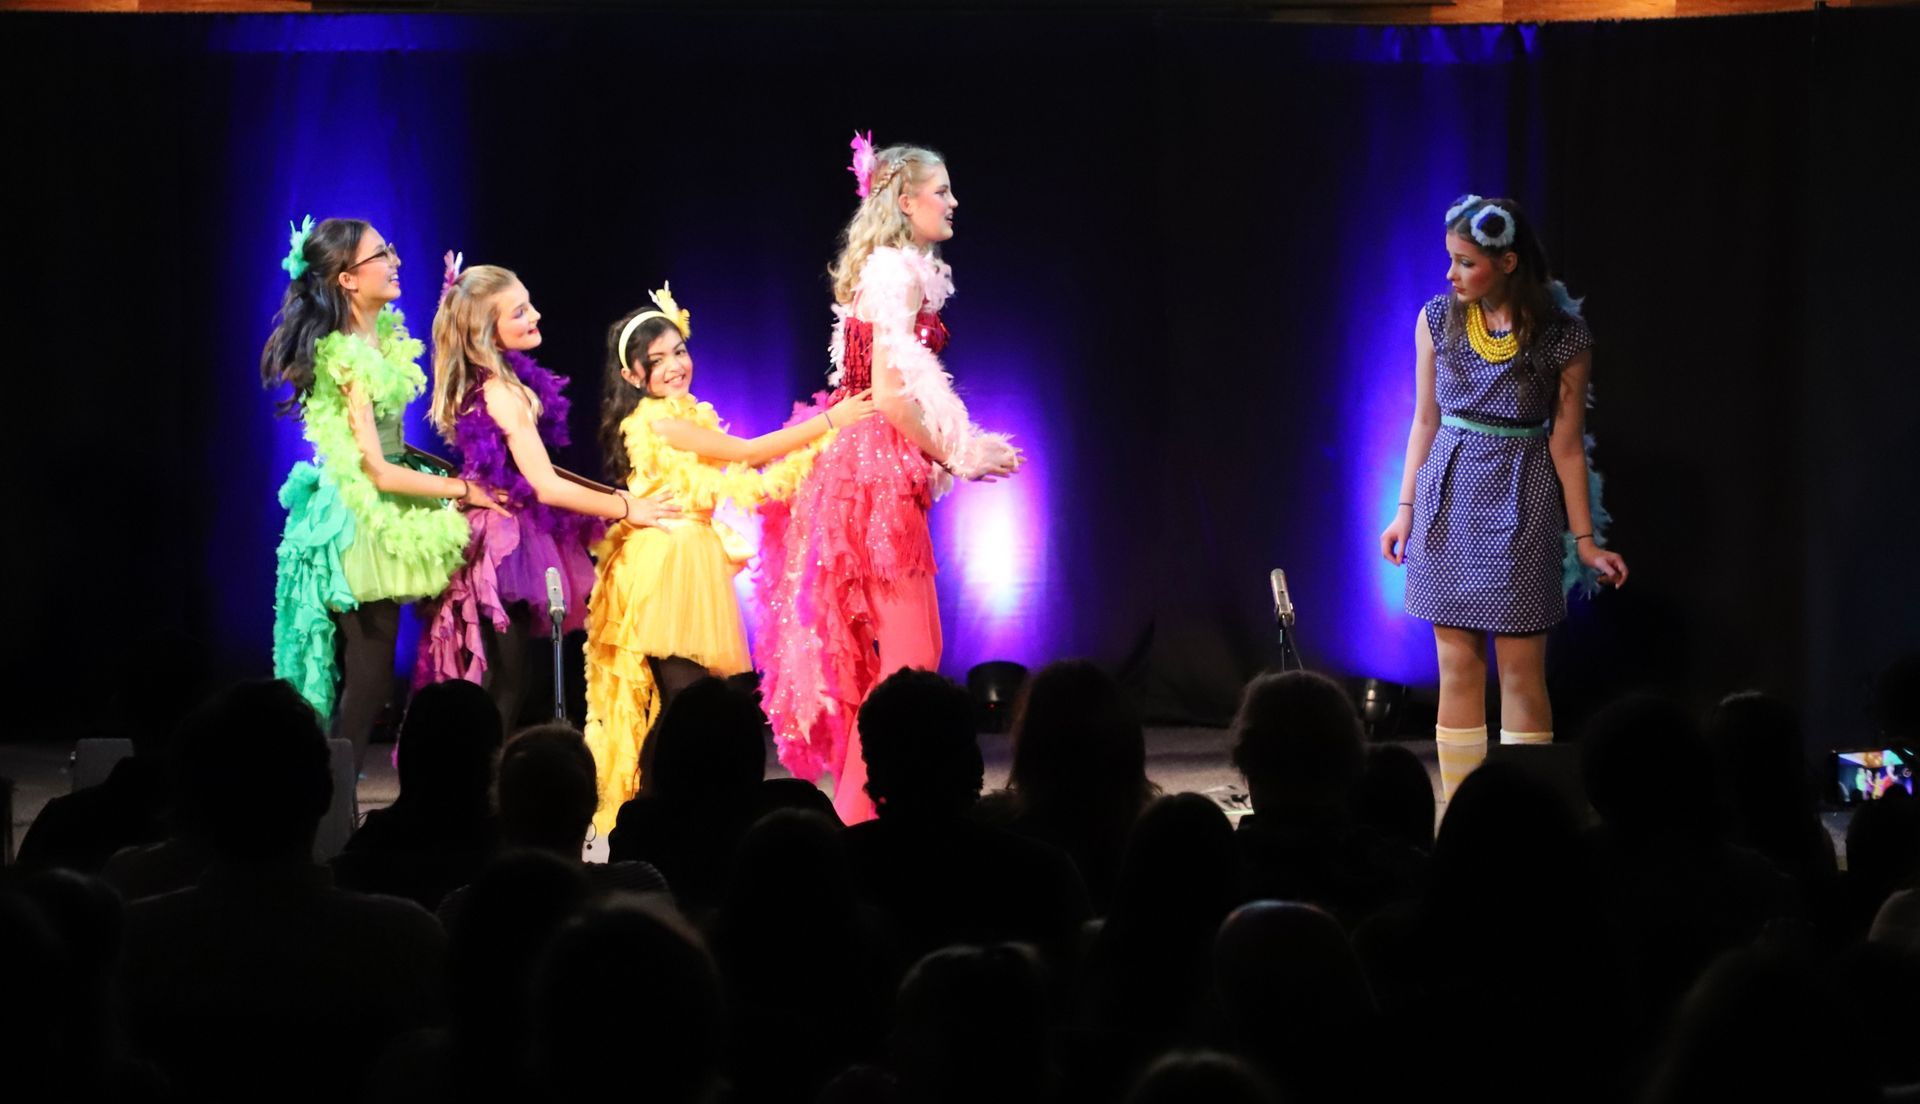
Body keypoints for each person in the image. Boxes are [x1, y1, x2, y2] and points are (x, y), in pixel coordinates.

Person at [758, 135, 1023, 822]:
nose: (954, 201)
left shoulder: (897, 269)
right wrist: (959, 452)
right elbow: (892, 393)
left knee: (899, 658)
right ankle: (867, 820)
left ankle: (864, 815)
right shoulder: (895, 272)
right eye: (942, 191)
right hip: (872, 475)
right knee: (908, 660)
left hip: (876, 467)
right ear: (907, 202)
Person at [584, 283, 871, 832]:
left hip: (687, 554)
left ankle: (668, 811)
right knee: (680, 701)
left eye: (679, 351)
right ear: (633, 375)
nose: (675, 365)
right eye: (658, 359)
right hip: (666, 563)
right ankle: (660, 814)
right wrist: (831, 421)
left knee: (680, 704)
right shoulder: (659, 422)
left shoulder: (681, 416)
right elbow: (747, 454)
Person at [1378, 194, 1628, 799]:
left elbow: (1568, 445)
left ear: (1509, 261)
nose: (1451, 274)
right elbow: (1425, 421)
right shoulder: (1436, 320)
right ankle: (1462, 814)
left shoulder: (1563, 337)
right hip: (1449, 494)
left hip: (1522, 498)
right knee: (1457, 667)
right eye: (1451, 260)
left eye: (1465, 262)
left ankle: (1525, 816)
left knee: (1520, 672)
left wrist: (1587, 541)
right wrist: (1404, 509)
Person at [262, 216, 505, 766]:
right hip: (358, 515)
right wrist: (462, 490)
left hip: (384, 502)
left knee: (374, 677)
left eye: (390, 249)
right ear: (347, 279)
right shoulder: (345, 355)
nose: (394, 261)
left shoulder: (383, 337)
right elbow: (376, 469)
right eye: (380, 254)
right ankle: (327, 809)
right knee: (369, 677)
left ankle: (330, 801)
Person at [417, 255, 672, 727]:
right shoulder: (502, 393)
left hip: (508, 529)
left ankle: (487, 779)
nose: (534, 316)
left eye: (528, 305)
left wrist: (612, 494)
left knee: (511, 678)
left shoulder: (498, 382)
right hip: (503, 543)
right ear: (485, 331)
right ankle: (481, 785)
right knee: (506, 681)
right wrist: (626, 506)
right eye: (517, 312)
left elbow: (540, 470)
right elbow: (546, 485)